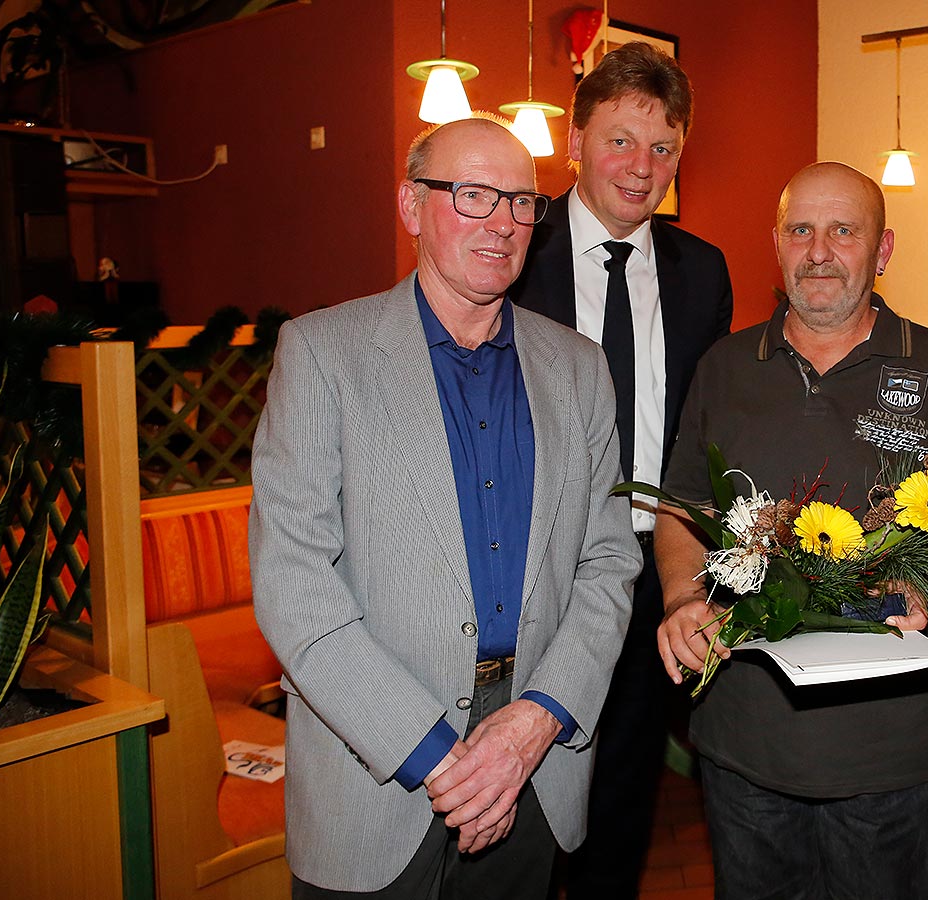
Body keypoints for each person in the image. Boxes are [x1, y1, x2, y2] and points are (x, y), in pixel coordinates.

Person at [248, 116, 639, 898]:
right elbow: (294, 584)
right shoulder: (323, 353)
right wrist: (441, 757)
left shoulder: (580, 368)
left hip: (536, 751)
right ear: (410, 205)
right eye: (472, 195)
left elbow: (608, 561)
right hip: (376, 759)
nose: (501, 222)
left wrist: (534, 723)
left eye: (521, 202)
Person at [655, 161, 928, 900]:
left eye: (843, 231)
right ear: (777, 243)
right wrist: (680, 597)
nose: (820, 251)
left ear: (883, 250)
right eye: (801, 230)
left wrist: (927, 577)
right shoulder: (726, 366)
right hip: (746, 740)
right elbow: (680, 507)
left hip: (888, 749)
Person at [508, 41, 732, 898]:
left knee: (627, 783)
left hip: (653, 564)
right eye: (620, 141)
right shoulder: (514, 253)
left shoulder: (701, 270)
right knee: (527, 774)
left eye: (663, 147)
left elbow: (703, 427)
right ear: (573, 143)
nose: (642, 168)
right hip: (535, 567)